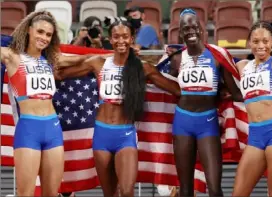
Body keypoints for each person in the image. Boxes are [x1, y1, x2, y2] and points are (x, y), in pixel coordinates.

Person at [55, 20, 180, 197]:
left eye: (125, 36)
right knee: (109, 193)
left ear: (132, 39)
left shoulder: (142, 68)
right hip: (102, 135)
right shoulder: (98, 63)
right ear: (110, 40)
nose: (121, 41)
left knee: (127, 191)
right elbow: (60, 74)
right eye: (116, 37)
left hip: (126, 136)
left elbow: (175, 90)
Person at [0, 10, 99, 196]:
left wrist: (120, 54)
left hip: (53, 129)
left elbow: (87, 58)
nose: (44, 38)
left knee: (53, 194)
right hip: (29, 130)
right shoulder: (12, 57)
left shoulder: (52, 60)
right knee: (26, 194)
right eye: (40, 32)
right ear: (29, 30)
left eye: (48, 35)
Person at [168, 8, 242, 197]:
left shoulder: (217, 57)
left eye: (194, 26)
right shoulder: (176, 59)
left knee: (215, 189)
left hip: (207, 123)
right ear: (181, 33)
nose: (190, 30)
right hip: (183, 122)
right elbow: (163, 85)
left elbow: (237, 93)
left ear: (201, 29)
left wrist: (271, 95)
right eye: (186, 28)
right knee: (185, 189)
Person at [232, 21, 272, 197]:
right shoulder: (242, 66)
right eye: (256, 41)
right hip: (255, 135)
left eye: (265, 41)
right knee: (238, 193)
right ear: (249, 42)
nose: (261, 46)